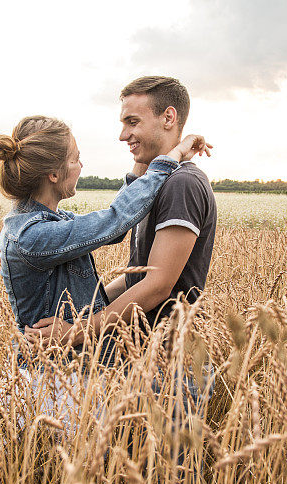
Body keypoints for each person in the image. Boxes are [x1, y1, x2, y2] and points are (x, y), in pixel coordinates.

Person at [0, 114, 210, 350]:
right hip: (52, 372)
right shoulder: (33, 235)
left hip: (62, 368)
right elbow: (114, 220)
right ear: (54, 174)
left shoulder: (51, 221)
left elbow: (113, 229)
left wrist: (143, 159)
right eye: (76, 160)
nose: (81, 166)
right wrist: (172, 156)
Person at [27, 76, 217, 344]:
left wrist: (78, 330)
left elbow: (157, 285)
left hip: (170, 358)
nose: (123, 135)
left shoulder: (182, 184)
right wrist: (82, 311)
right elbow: (135, 277)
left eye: (133, 122)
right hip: (144, 353)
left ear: (168, 118)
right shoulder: (155, 185)